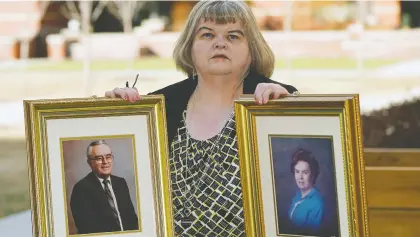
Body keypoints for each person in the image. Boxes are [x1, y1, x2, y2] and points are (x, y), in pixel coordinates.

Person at [105, 1, 298, 236]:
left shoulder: (276, 101)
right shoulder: (157, 107)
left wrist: (291, 114)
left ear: (252, 49)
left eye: (233, 36)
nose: (219, 43)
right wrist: (115, 117)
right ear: (190, 47)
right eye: (207, 35)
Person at [70, 140, 138, 234]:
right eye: (99, 158)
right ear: (90, 162)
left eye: (108, 157)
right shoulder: (81, 189)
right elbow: (86, 229)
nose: (105, 162)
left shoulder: (121, 183)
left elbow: (132, 219)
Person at [287, 148, 324, 235]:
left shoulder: (317, 203)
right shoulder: (297, 196)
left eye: (305, 172)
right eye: (297, 171)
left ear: (313, 174)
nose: (300, 177)